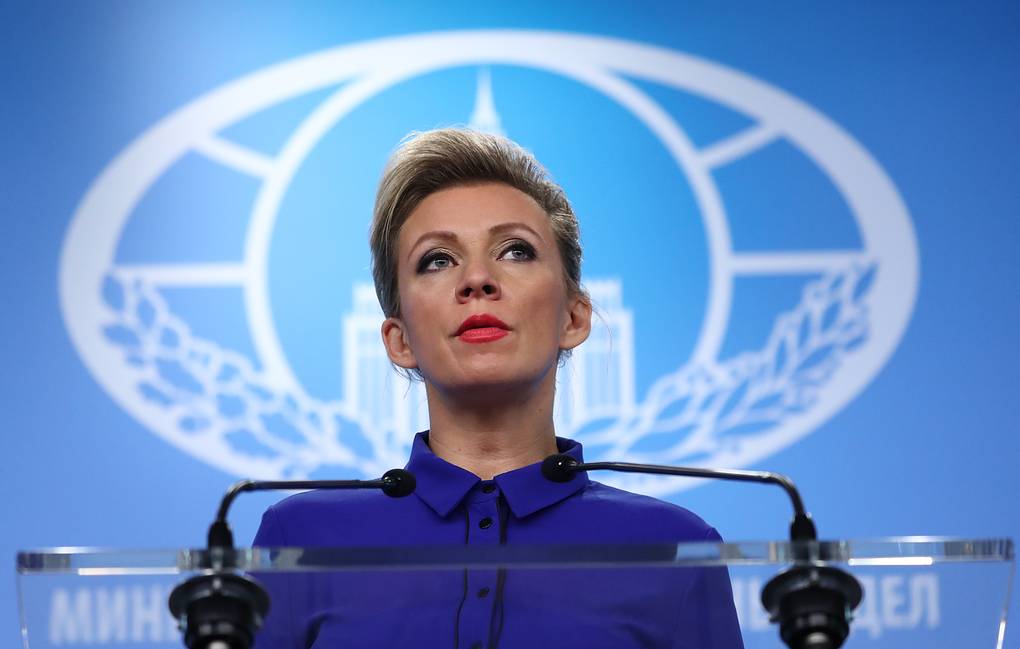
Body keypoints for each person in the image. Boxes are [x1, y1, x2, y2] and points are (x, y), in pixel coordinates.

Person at [253, 128, 744, 649]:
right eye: (437, 260)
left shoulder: (676, 548)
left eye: (515, 251)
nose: (477, 279)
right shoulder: (299, 537)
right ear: (400, 340)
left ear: (574, 317)